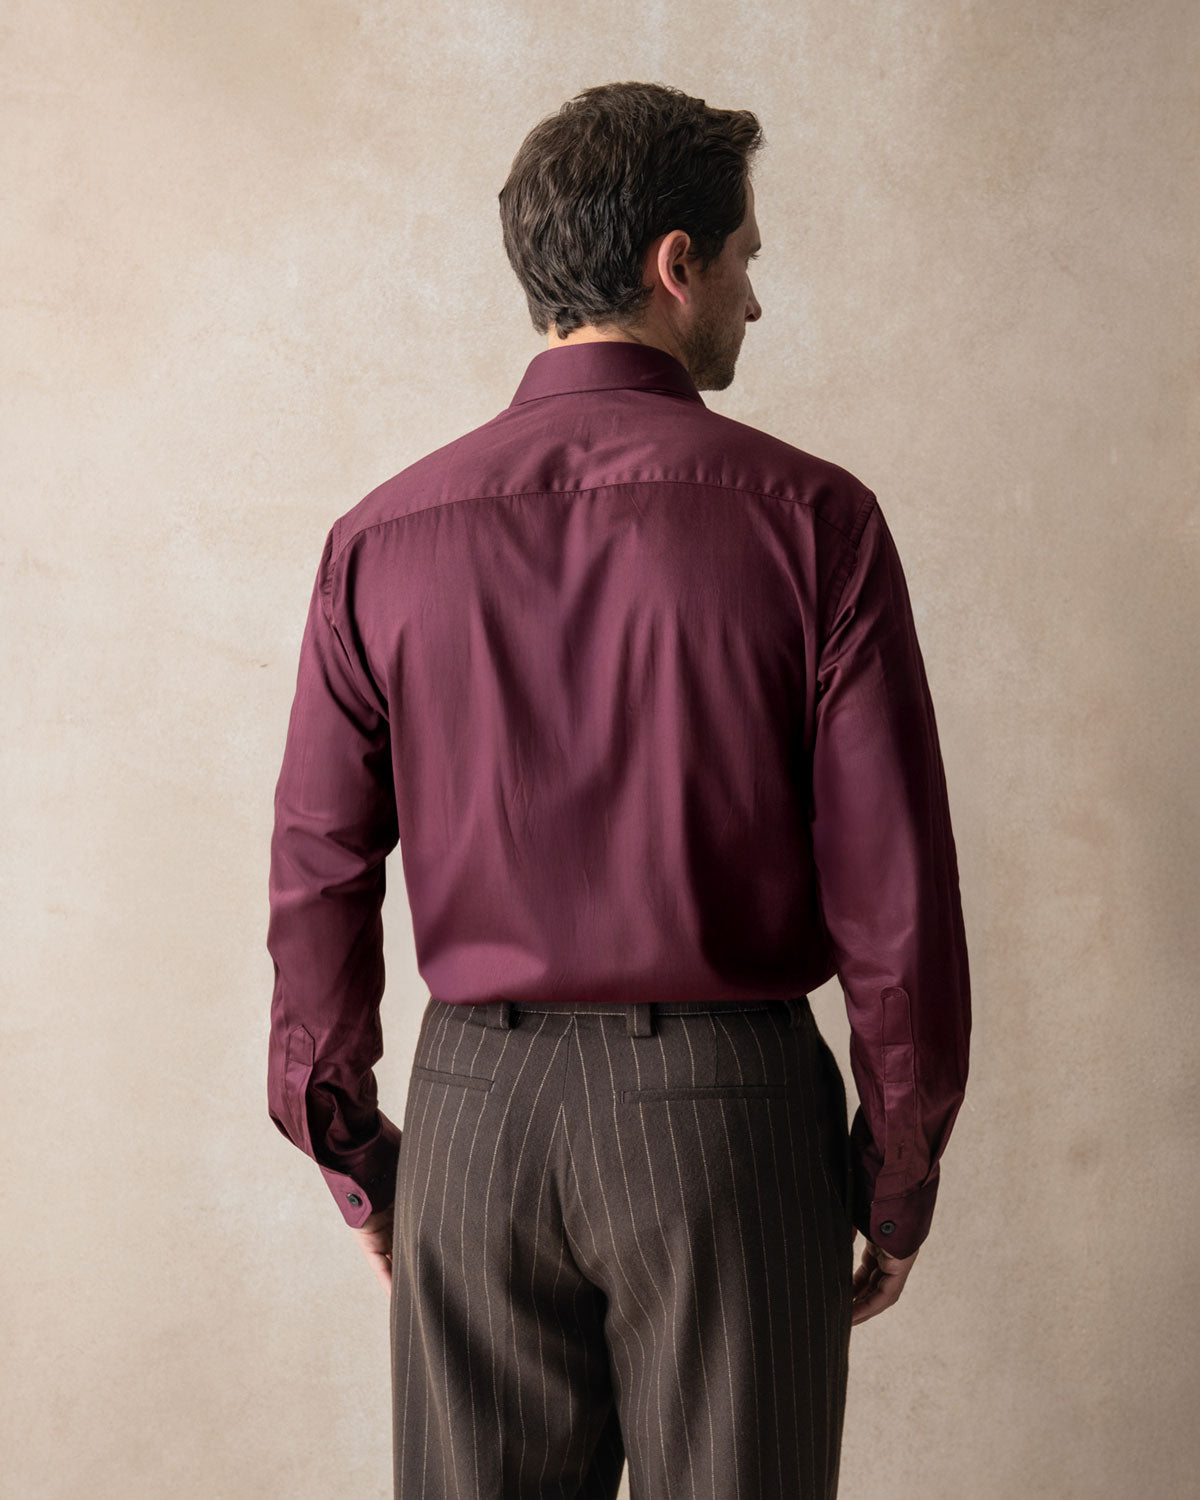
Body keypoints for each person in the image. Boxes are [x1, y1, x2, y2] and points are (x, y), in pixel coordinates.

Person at [266, 80, 971, 1500]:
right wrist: (894, 1177)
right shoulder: (815, 522)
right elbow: (895, 905)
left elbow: (316, 869)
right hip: (725, 1122)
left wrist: (354, 1145)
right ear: (677, 264)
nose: (755, 303)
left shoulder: (380, 538)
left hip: (475, 1113)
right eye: (748, 259)